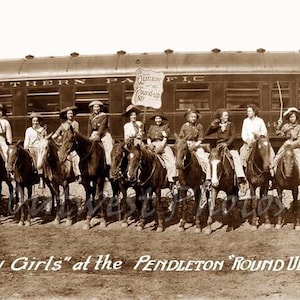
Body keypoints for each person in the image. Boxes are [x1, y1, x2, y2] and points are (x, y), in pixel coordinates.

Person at [205, 109, 247, 188]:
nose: (226, 117)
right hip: (219, 146)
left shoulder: (231, 125)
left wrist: (227, 144)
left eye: (227, 115)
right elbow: (206, 133)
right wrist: (211, 125)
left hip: (229, 146)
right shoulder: (218, 126)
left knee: (236, 157)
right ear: (220, 117)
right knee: (211, 159)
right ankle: (208, 178)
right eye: (225, 115)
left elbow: (233, 136)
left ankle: (240, 177)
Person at [146, 111, 177, 189]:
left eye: (159, 118)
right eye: (156, 118)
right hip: (152, 144)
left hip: (162, 144)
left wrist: (161, 147)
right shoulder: (151, 127)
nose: (158, 120)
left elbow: (165, 138)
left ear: (162, 119)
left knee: (172, 162)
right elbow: (148, 137)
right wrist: (149, 144)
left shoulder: (166, 126)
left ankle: (171, 179)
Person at [179, 109, 210, 184]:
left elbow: (200, 139)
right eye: (191, 116)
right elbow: (181, 138)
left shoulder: (199, 126)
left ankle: (208, 178)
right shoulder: (184, 126)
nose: (193, 118)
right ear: (188, 117)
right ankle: (178, 178)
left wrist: (195, 145)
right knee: (178, 159)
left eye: (195, 117)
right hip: (185, 145)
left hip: (196, 144)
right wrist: (186, 145)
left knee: (205, 160)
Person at [52, 106, 82, 183]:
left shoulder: (76, 124)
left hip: (72, 145)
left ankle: (78, 175)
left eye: (71, 113)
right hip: (64, 146)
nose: (70, 115)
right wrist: (52, 138)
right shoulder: (63, 125)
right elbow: (56, 134)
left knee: (76, 158)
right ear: (66, 115)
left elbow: (77, 134)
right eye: (69, 113)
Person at [273, 107, 300, 174]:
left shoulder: (299, 127)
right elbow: (279, 135)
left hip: (295, 147)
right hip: (286, 145)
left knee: (299, 160)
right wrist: (278, 126)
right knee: (277, 158)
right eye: (290, 117)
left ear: (296, 117)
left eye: (293, 116)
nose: (292, 118)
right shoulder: (286, 126)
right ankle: (274, 173)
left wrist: (292, 145)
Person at [24, 112, 47, 188]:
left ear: (39, 121)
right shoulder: (28, 130)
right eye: (33, 121)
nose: (35, 123)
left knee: (39, 161)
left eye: (36, 121)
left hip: (39, 149)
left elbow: (44, 141)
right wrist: (26, 148)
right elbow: (26, 140)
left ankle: (41, 178)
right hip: (31, 148)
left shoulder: (42, 130)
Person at [87, 100, 113, 167]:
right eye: (95, 107)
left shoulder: (103, 116)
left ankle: (109, 163)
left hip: (103, 133)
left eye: (98, 107)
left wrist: (98, 135)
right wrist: (88, 137)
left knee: (109, 147)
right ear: (92, 108)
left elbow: (102, 126)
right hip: (94, 133)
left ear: (100, 108)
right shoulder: (91, 117)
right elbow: (89, 127)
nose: (96, 108)